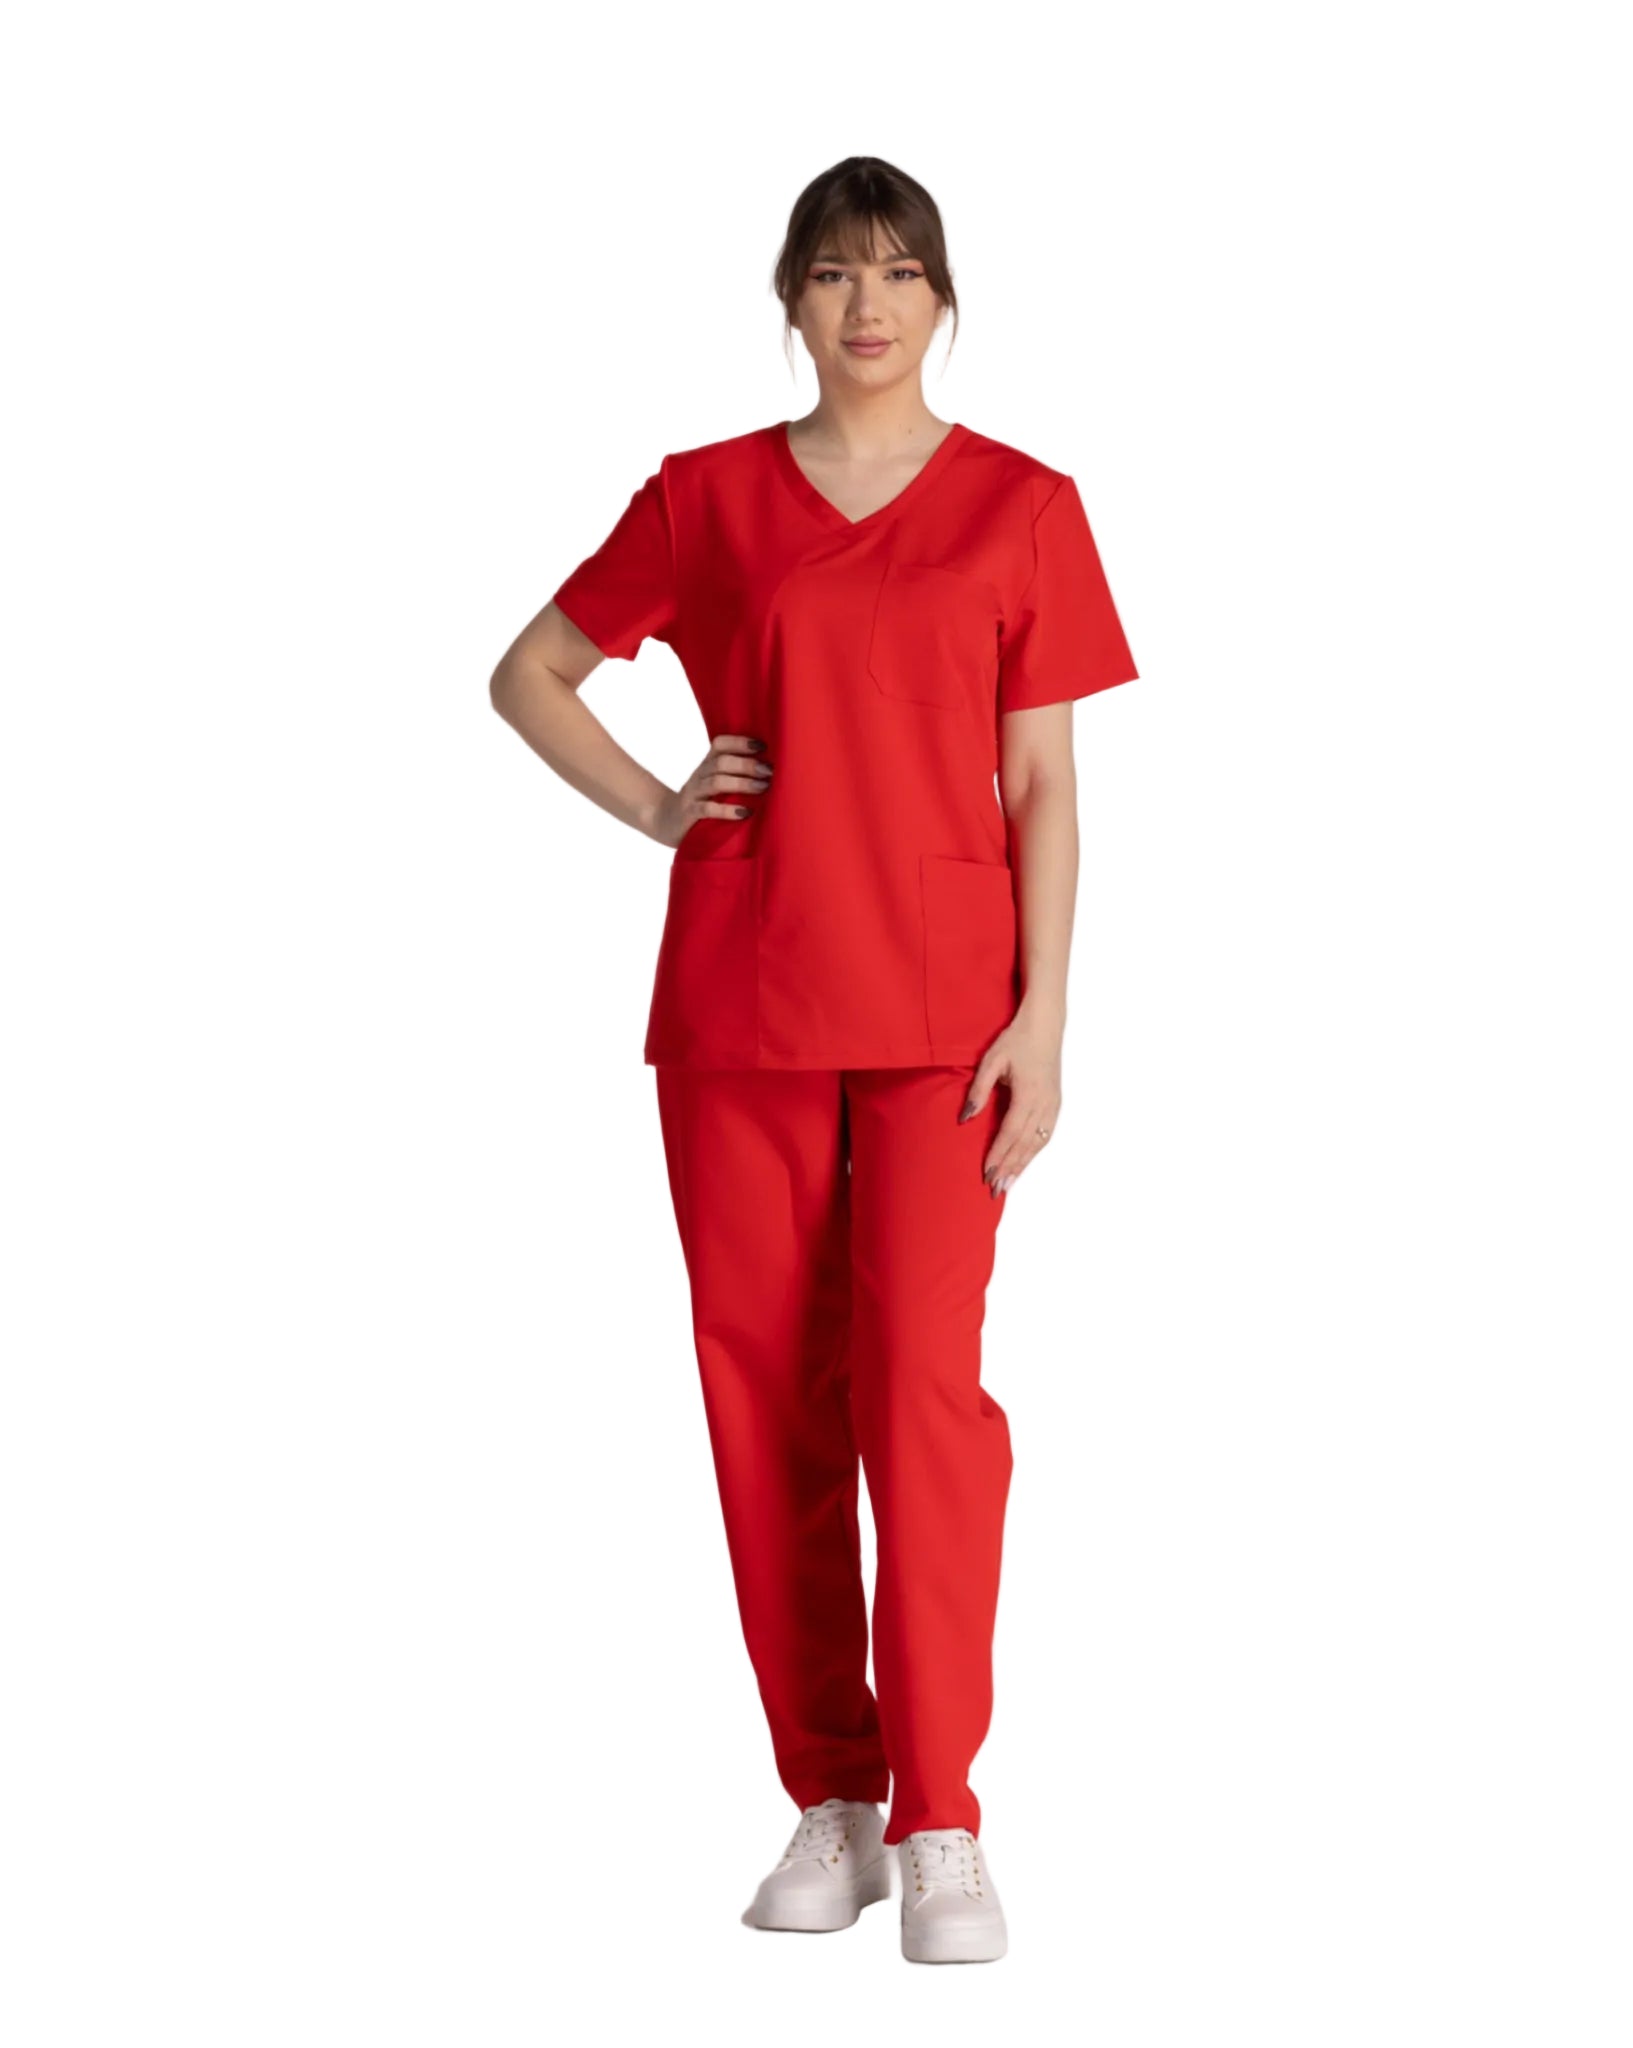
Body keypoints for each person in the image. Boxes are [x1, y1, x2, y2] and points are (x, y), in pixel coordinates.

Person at [489, 156, 1137, 1966]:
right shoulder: (702, 499)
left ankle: (941, 1817)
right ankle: (834, 1797)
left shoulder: (1024, 507)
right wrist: (658, 806)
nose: (869, 303)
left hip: (947, 1023)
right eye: (837, 272)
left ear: (945, 300)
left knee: (923, 1399)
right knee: (766, 1397)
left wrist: (1047, 1017)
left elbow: (1042, 780)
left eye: (902, 271)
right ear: (791, 297)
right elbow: (531, 673)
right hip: (748, 998)